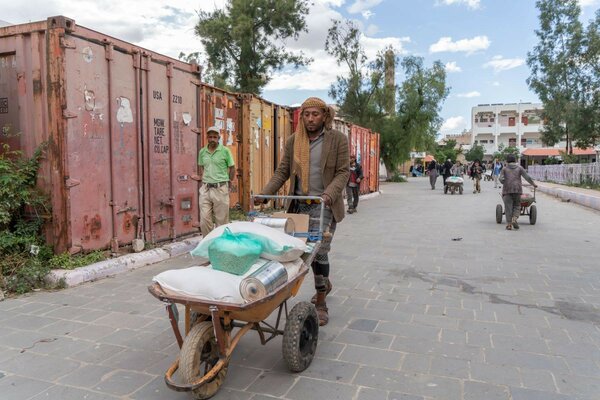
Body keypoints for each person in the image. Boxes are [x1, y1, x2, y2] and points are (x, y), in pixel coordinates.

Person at [255, 97, 349, 326]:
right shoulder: (293, 141)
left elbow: (343, 172)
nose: (310, 118)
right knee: (295, 250)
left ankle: (320, 301)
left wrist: (329, 194)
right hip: (299, 205)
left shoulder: (338, 140)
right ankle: (322, 283)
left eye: (315, 114)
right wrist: (264, 195)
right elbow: (282, 172)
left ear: (324, 115)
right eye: (306, 114)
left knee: (319, 250)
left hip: (324, 202)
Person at [194, 126, 235, 237]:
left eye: (214, 137)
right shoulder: (202, 152)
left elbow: (232, 167)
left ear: (218, 138)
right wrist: (206, 179)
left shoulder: (225, 151)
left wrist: (229, 182)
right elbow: (202, 167)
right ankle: (209, 242)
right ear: (207, 137)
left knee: (221, 221)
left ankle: (221, 244)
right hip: (206, 189)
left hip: (220, 188)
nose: (212, 139)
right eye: (210, 137)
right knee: (204, 219)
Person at [499, 154, 537, 230]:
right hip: (517, 190)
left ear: (507, 161)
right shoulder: (519, 168)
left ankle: (509, 224)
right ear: (515, 161)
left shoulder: (504, 169)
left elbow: (501, 179)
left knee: (508, 207)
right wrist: (533, 184)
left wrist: (504, 182)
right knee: (517, 206)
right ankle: (514, 218)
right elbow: (527, 177)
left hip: (507, 190)